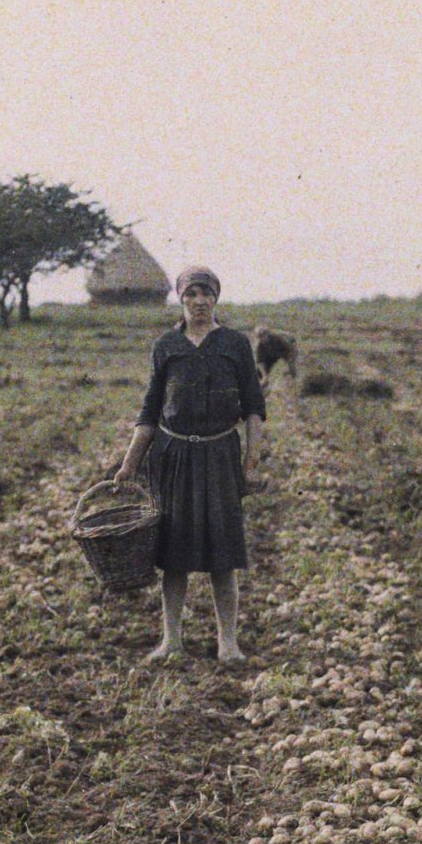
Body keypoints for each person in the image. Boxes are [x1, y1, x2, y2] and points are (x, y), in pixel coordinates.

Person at [112, 265, 265, 664]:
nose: (199, 302)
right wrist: (128, 466)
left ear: (216, 298)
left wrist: (251, 464)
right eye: (190, 295)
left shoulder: (234, 344)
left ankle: (228, 643)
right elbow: (149, 411)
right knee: (173, 555)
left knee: (223, 554)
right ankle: (171, 641)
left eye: (206, 294)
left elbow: (253, 409)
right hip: (174, 457)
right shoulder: (166, 346)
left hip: (220, 456)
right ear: (181, 300)